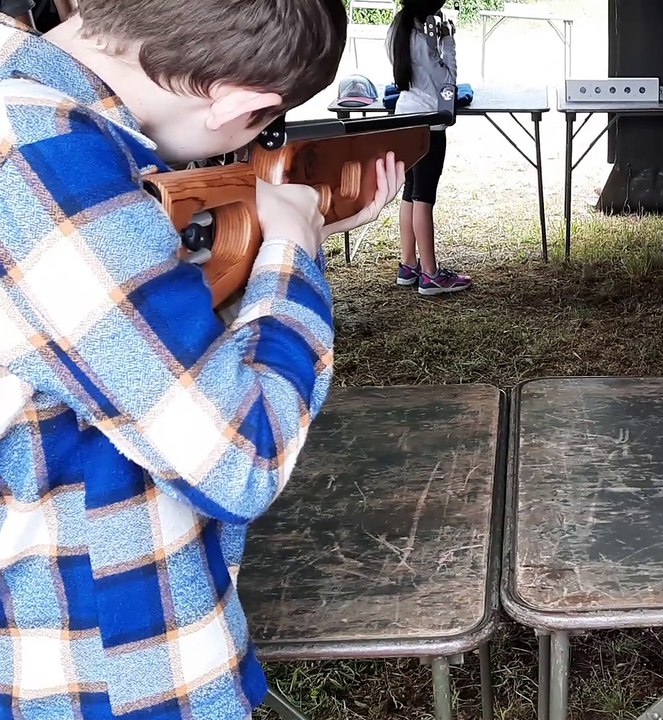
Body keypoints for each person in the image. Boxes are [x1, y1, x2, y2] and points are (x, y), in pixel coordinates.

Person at [0, 2, 402, 718]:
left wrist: (260, 226)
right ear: (238, 102)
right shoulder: (44, 161)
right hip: (91, 668)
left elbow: (129, 309)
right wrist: (289, 253)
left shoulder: (30, 98)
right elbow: (239, 455)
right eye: (265, 124)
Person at [387, 0, 472, 295]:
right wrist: (448, 42)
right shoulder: (424, 38)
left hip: (404, 118)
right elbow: (447, 81)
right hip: (429, 124)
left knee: (410, 194)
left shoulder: (398, 29)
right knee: (424, 197)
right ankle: (431, 274)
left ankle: (409, 265)